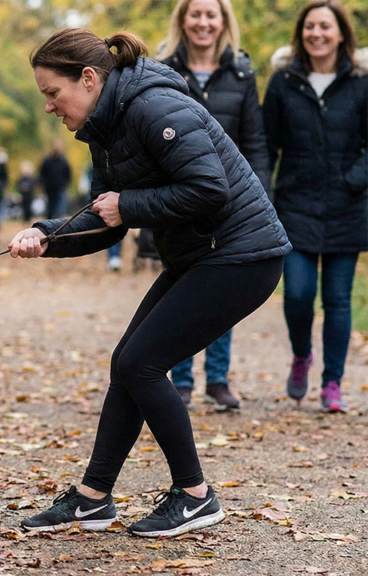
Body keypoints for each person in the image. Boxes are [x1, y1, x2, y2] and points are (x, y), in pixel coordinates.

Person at [11, 29, 290, 538]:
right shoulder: (105, 126)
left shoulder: (153, 105)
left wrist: (130, 206)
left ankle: (195, 496)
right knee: (129, 361)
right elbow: (102, 219)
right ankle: (94, 498)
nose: (50, 107)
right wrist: (46, 235)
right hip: (202, 254)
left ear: (89, 78)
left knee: (142, 363)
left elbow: (208, 187)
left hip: (242, 255)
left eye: (53, 93)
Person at [155, 0, 273, 409]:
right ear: (182, 20)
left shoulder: (241, 73)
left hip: (232, 204)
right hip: (181, 198)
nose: (203, 22)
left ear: (223, 22)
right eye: (195, 14)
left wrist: (260, 198)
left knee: (221, 289)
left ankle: (218, 379)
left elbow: (255, 142)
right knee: (184, 289)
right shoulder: (163, 71)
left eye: (211, 15)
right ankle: (181, 378)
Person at [263, 0, 368, 413]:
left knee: (339, 300)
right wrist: (263, 195)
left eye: (326, 26)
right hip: (295, 204)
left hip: (348, 205)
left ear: (341, 33)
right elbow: (266, 145)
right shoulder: (283, 82)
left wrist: (354, 179)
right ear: (301, 33)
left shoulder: (361, 83)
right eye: (310, 26)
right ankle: (302, 355)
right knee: (299, 294)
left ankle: (333, 384)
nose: (317, 34)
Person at [39, 138, 71, 219]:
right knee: (50, 209)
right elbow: (42, 173)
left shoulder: (64, 161)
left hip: (60, 188)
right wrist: (43, 184)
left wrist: (65, 185)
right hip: (49, 189)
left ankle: (58, 225)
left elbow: (68, 174)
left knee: (59, 209)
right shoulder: (47, 160)